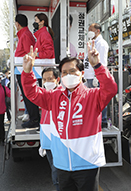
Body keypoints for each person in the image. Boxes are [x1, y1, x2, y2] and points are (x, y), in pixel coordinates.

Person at [21, 42, 117, 191]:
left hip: (87, 163)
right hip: (62, 165)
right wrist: (27, 72)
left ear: (82, 74)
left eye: (72, 71)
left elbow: (110, 88)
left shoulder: (93, 96)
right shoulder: (54, 97)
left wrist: (97, 66)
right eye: (64, 72)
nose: (68, 75)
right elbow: (32, 93)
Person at [13, 14, 39, 128]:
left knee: (28, 95)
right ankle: (32, 118)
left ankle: (34, 119)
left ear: (17, 24)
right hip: (21, 69)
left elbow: (30, 52)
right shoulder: (24, 34)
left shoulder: (25, 35)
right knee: (26, 95)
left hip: (23, 70)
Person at [39, 67, 62, 191]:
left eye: (50, 79)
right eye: (44, 79)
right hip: (47, 141)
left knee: (57, 171)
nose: (47, 82)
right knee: (54, 171)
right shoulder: (43, 95)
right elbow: (44, 120)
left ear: (57, 79)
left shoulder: (62, 94)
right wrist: (42, 142)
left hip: (59, 140)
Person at [84, 23, 109, 128]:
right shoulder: (91, 42)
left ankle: (102, 120)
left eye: (91, 29)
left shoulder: (102, 43)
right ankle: (95, 119)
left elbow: (102, 61)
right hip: (89, 75)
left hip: (95, 76)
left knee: (100, 99)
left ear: (98, 31)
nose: (89, 31)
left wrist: (96, 76)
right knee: (92, 100)